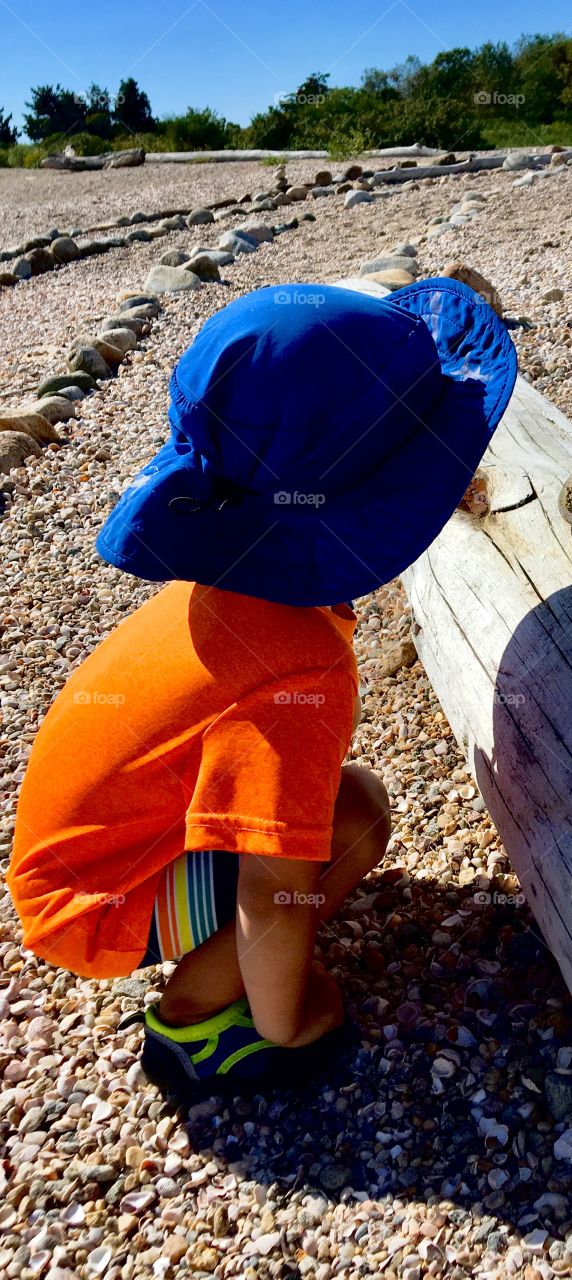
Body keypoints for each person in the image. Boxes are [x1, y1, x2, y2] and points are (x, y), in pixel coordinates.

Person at [8, 278, 518, 1093]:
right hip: (87, 905)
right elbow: (273, 883)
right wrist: (288, 1022)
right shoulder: (298, 666)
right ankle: (196, 1024)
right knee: (353, 819)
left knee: (337, 808)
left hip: (78, 858)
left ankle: (211, 954)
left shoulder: (231, 583)